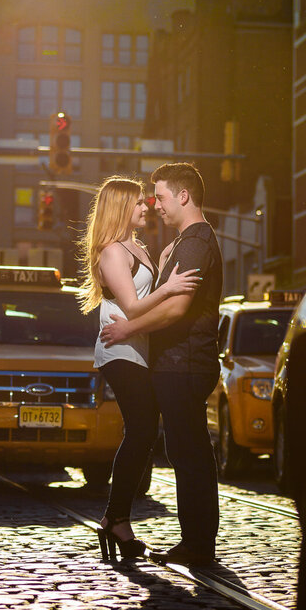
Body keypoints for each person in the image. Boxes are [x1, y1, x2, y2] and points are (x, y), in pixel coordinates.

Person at [100, 162, 224, 566]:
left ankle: (194, 542)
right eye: (145, 200)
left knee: (183, 452)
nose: (154, 206)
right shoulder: (180, 244)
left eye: (160, 197)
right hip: (161, 360)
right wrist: (166, 273)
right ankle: (129, 521)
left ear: (183, 196)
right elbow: (152, 299)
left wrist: (128, 327)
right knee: (173, 446)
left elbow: (175, 309)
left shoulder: (193, 243)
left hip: (182, 362)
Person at [78, 176, 201, 558]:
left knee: (144, 432)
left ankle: (116, 518)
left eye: (147, 202)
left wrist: (162, 265)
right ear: (119, 207)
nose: (146, 207)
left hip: (138, 348)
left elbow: (144, 291)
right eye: (138, 203)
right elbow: (132, 308)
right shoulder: (112, 251)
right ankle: (116, 519)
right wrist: (170, 287)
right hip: (120, 347)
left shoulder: (137, 247)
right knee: (143, 428)